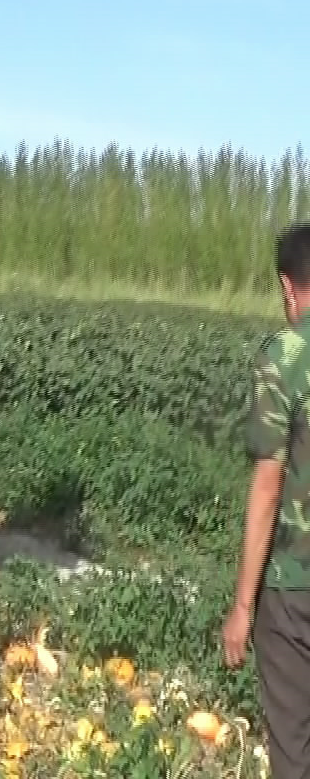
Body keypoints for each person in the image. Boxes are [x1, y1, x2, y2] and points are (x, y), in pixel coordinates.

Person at [224, 221, 310, 775]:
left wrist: (242, 606)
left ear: (287, 287)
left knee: (294, 751)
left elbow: (267, 485)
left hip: (296, 592)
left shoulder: (285, 358)